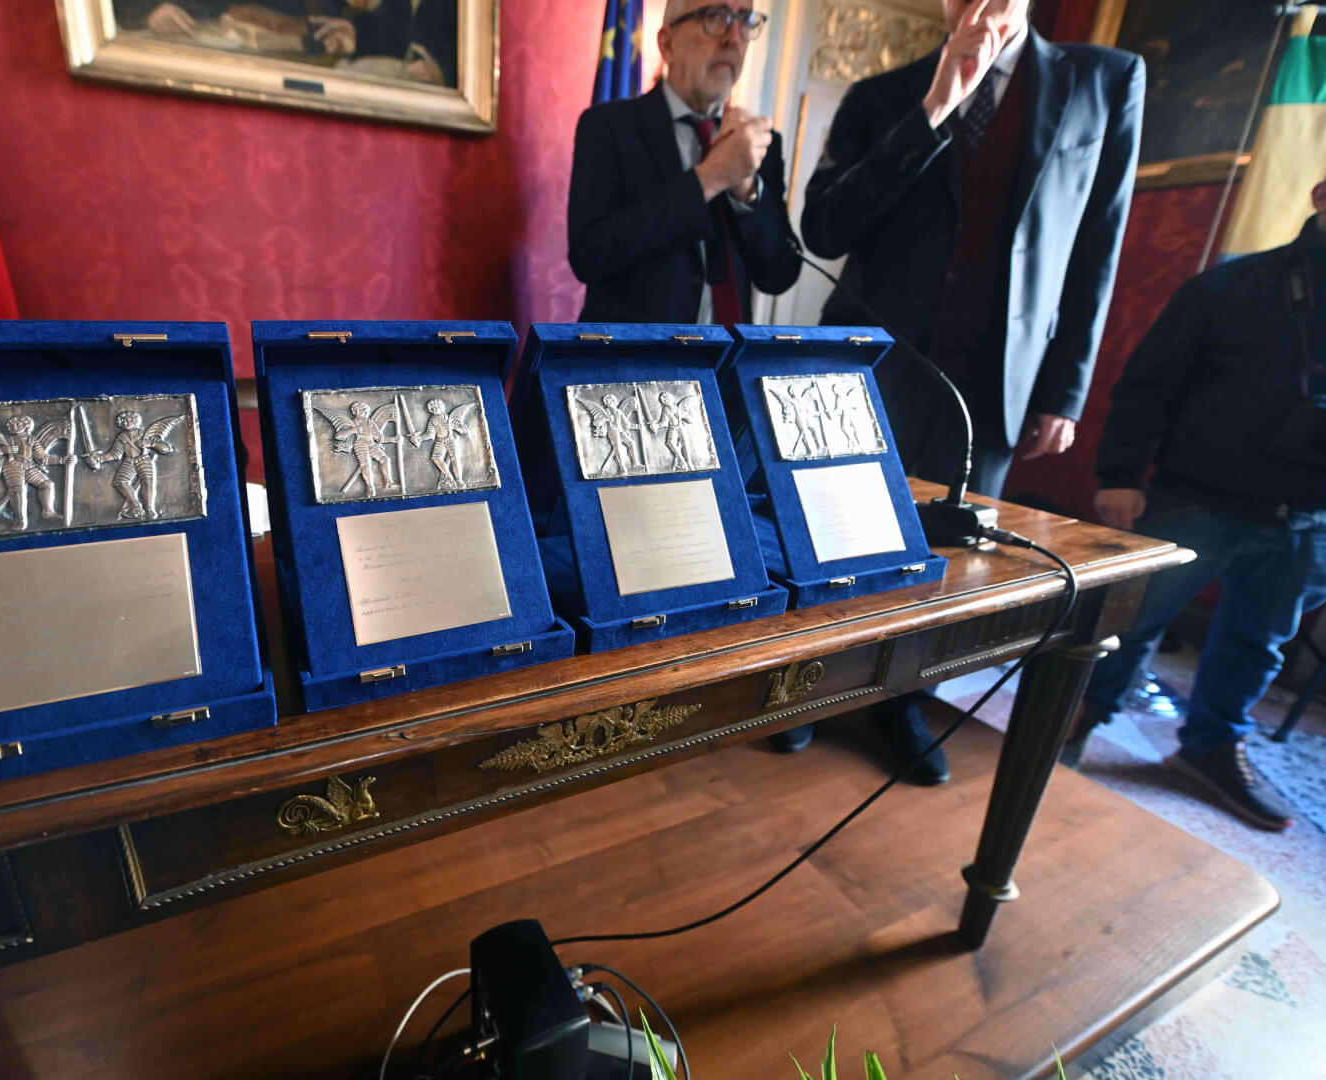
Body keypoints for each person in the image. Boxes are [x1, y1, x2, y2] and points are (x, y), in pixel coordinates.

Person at [784, 0, 1145, 782]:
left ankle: (901, 702)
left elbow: (1098, 245)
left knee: (948, 554)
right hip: (870, 367)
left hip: (996, 378)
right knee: (835, 533)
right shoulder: (883, 96)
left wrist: (1065, 391)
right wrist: (934, 108)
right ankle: (806, 688)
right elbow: (824, 228)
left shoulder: (1106, 82)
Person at [1062, 179, 1326, 832]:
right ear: (1321, 196)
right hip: (1199, 494)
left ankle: (1210, 747)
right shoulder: (1233, 284)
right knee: (1130, 620)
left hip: (1309, 515)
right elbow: (1147, 383)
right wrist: (1121, 474)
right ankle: (1073, 720)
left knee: (1259, 643)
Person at [567, 0, 801, 324]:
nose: (734, 38)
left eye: (745, 19)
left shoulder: (762, 143)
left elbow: (780, 274)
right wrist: (710, 178)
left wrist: (746, 188)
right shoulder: (607, 126)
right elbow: (589, 257)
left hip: (728, 355)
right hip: (633, 353)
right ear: (667, 43)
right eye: (716, 16)